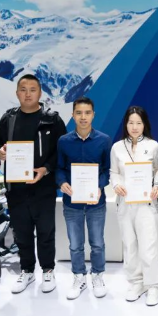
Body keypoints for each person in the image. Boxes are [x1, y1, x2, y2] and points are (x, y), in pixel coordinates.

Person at [0, 74, 67, 294]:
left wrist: (46, 169)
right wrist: (0, 151)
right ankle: (27, 270)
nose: (28, 94)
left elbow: (62, 151)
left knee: (45, 232)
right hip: (16, 188)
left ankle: (48, 270)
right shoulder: (9, 118)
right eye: (23, 90)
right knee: (22, 233)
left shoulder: (52, 119)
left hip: (43, 187)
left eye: (32, 90)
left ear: (40, 93)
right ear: (17, 93)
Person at [56, 96, 112, 300]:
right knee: (75, 244)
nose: (83, 117)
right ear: (72, 115)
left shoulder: (104, 140)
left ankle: (97, 275)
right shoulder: (64, 141)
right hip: (72, 203)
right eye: (79, 113)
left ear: (93, 115)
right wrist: (62, 183)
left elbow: (107, 170)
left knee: (97, 243)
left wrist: (100, 185)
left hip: (96, 202)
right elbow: (59, 169)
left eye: (87, 113)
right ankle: (78, 277)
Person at [110, 106, 158, 305]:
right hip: (125, 202)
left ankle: (153, 285)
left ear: (144, 124)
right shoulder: (117, 147)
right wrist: (116, 184)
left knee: (148, 246)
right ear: (126, 124)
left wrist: (157, 186)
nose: (134, 127)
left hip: (146, 203)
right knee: (130, 245)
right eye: (131, 122)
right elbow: (114, 172)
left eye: (138, 123)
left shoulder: (154, 146)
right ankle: (136, 282)